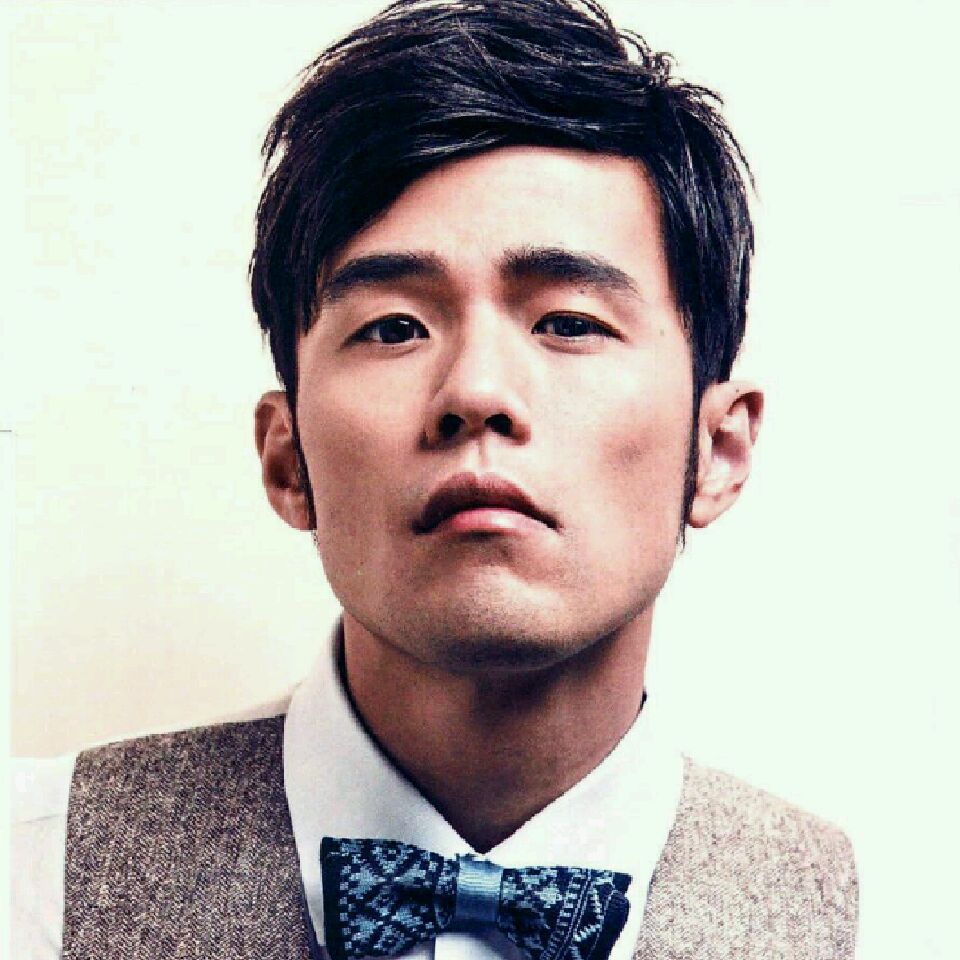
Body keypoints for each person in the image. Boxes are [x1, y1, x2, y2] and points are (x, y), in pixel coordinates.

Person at [12, 1, 858, 957]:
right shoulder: (29, 877)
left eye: (570, 322)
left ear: (720, 449)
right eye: (393, 328)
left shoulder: (883, 923)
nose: (477, 392)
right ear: (288, 458)